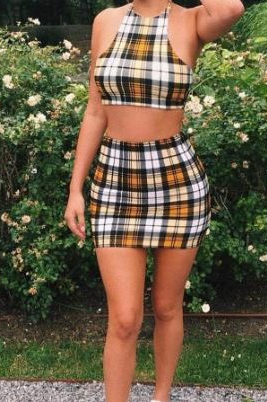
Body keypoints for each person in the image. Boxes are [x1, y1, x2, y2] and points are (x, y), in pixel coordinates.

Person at [65, 0, 245, 401]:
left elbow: (231, 9)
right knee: (124, 318)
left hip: (177, 185)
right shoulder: (106, 21)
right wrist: (76, 188)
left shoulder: (191, 21)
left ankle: (161, 397)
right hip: (114, 182)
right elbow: (95, 112)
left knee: (166, 306)